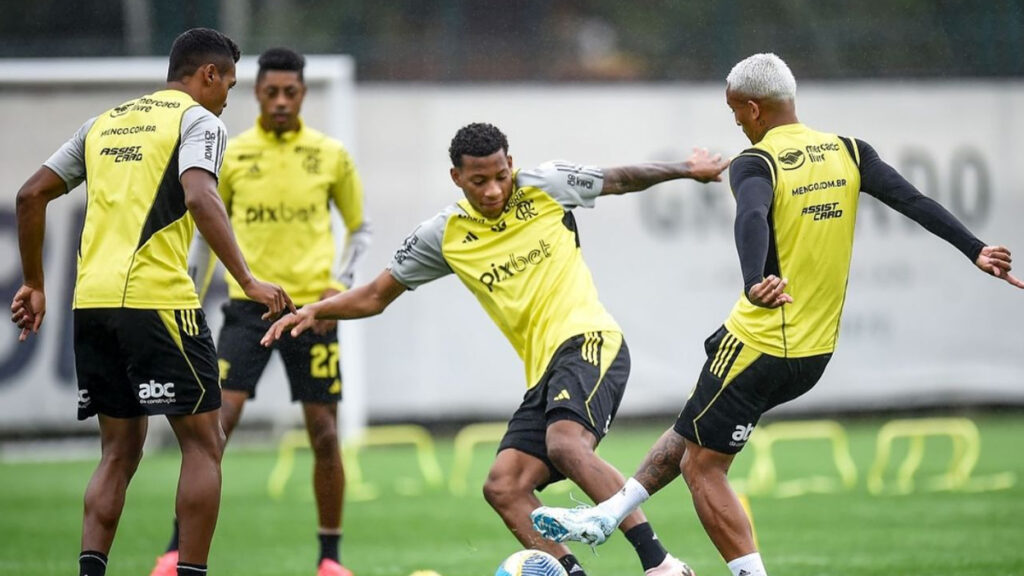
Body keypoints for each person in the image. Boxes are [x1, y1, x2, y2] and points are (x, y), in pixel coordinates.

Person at [529, 52, 1024, 576]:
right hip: (813, 353)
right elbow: (913, 199)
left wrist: (753, 280)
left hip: (760, 345)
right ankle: (610, 514)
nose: (737, 124)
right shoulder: (850, 151)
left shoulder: (756, 162)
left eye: (735, 113)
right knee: (696, 425)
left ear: (752, 108)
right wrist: (974, 249)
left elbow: (751, 214)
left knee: (703, 466)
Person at [261, 122, 728, 576]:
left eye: (500, 176)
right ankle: (569, 572)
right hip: (543, 370)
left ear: (512, 165)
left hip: (591, 341)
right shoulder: (442, 235)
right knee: (505, 486)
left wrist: (687, 169)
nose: (492, 190)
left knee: (564, 444)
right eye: (478, 180)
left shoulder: (545, 184)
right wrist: (316, 310)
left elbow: (622, 178)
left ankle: (661, 564)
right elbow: (375, 295)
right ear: (456, 178)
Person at [9, 28, 294, 576]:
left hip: (90, 304)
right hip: (157, 301)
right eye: (228, 84)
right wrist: (250, 280)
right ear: (207, 74)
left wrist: (35, 283)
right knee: (204, 443)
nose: (229, 97)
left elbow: (30, 194)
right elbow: (198, 193)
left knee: (118, 450)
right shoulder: (198, 121)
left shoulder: (102, 124)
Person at [149, 47, 370, 576]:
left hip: (312, 312)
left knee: (323, 434)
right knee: (215, 428)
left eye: (289, 92)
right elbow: (204, 236)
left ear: (303, 94)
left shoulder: (330, 155)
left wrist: (337, 292)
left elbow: (358, 229)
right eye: (270, 92)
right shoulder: (232, 152)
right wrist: (195, 304)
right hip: (247, 313)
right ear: (256, 93)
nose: (279, 101)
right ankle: (177, 550)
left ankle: (330, 559)